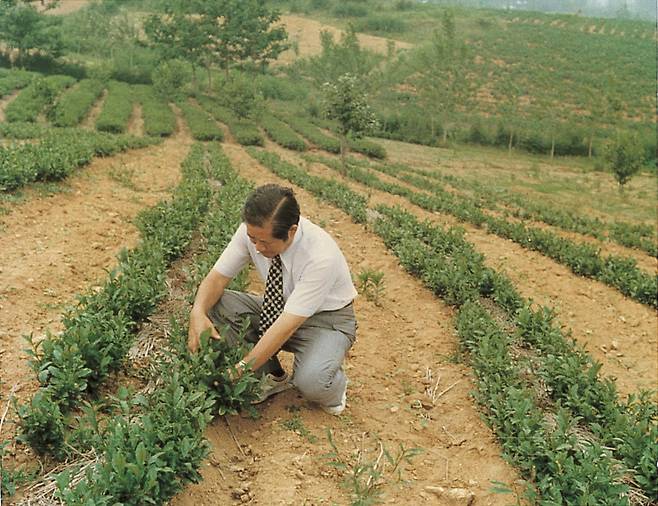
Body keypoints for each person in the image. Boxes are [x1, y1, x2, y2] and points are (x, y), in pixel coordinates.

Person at [187, 184, 357, 415]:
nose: (256, 248)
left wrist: (239, 370)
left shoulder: (320, 256)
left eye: (265, 243)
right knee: (217, 303)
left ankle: (333, 385)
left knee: (312, 383)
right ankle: (271, 375)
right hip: (281, 308)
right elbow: (216, 280)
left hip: (326, 322)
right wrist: (197, 313)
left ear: (292, 231)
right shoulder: (254, 232)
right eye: (252, 239)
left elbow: (286, 327)